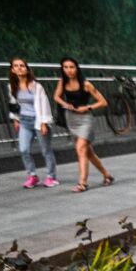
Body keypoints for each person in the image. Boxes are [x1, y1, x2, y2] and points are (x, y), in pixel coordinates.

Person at [53, 57, 114, 193]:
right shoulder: (62, 83)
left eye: (72, 67)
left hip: (85, 119)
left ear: (77, 68)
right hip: (71, 119)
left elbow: (103, 102)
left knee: (80, 149)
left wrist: (88, 107)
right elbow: (56, 96)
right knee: (88, 153)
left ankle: (82, 183)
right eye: (66, 67)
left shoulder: (86, 84)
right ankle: (107, 175)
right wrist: (65, 104)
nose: (69, 70)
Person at [7, 58, 58, 188]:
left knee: (45, 150)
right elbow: (13, 104)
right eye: (16, 66)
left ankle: (51, 177)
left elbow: (44, 104)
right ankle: (32, 176)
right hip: (24, 122)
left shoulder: (37, 86)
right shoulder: (12, 86)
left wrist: (44, 123)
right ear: (12, 70)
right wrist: (16, 119)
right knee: (24, 149)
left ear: (27, 69)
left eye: (22, 66)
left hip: (38, 121)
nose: (19, 68)